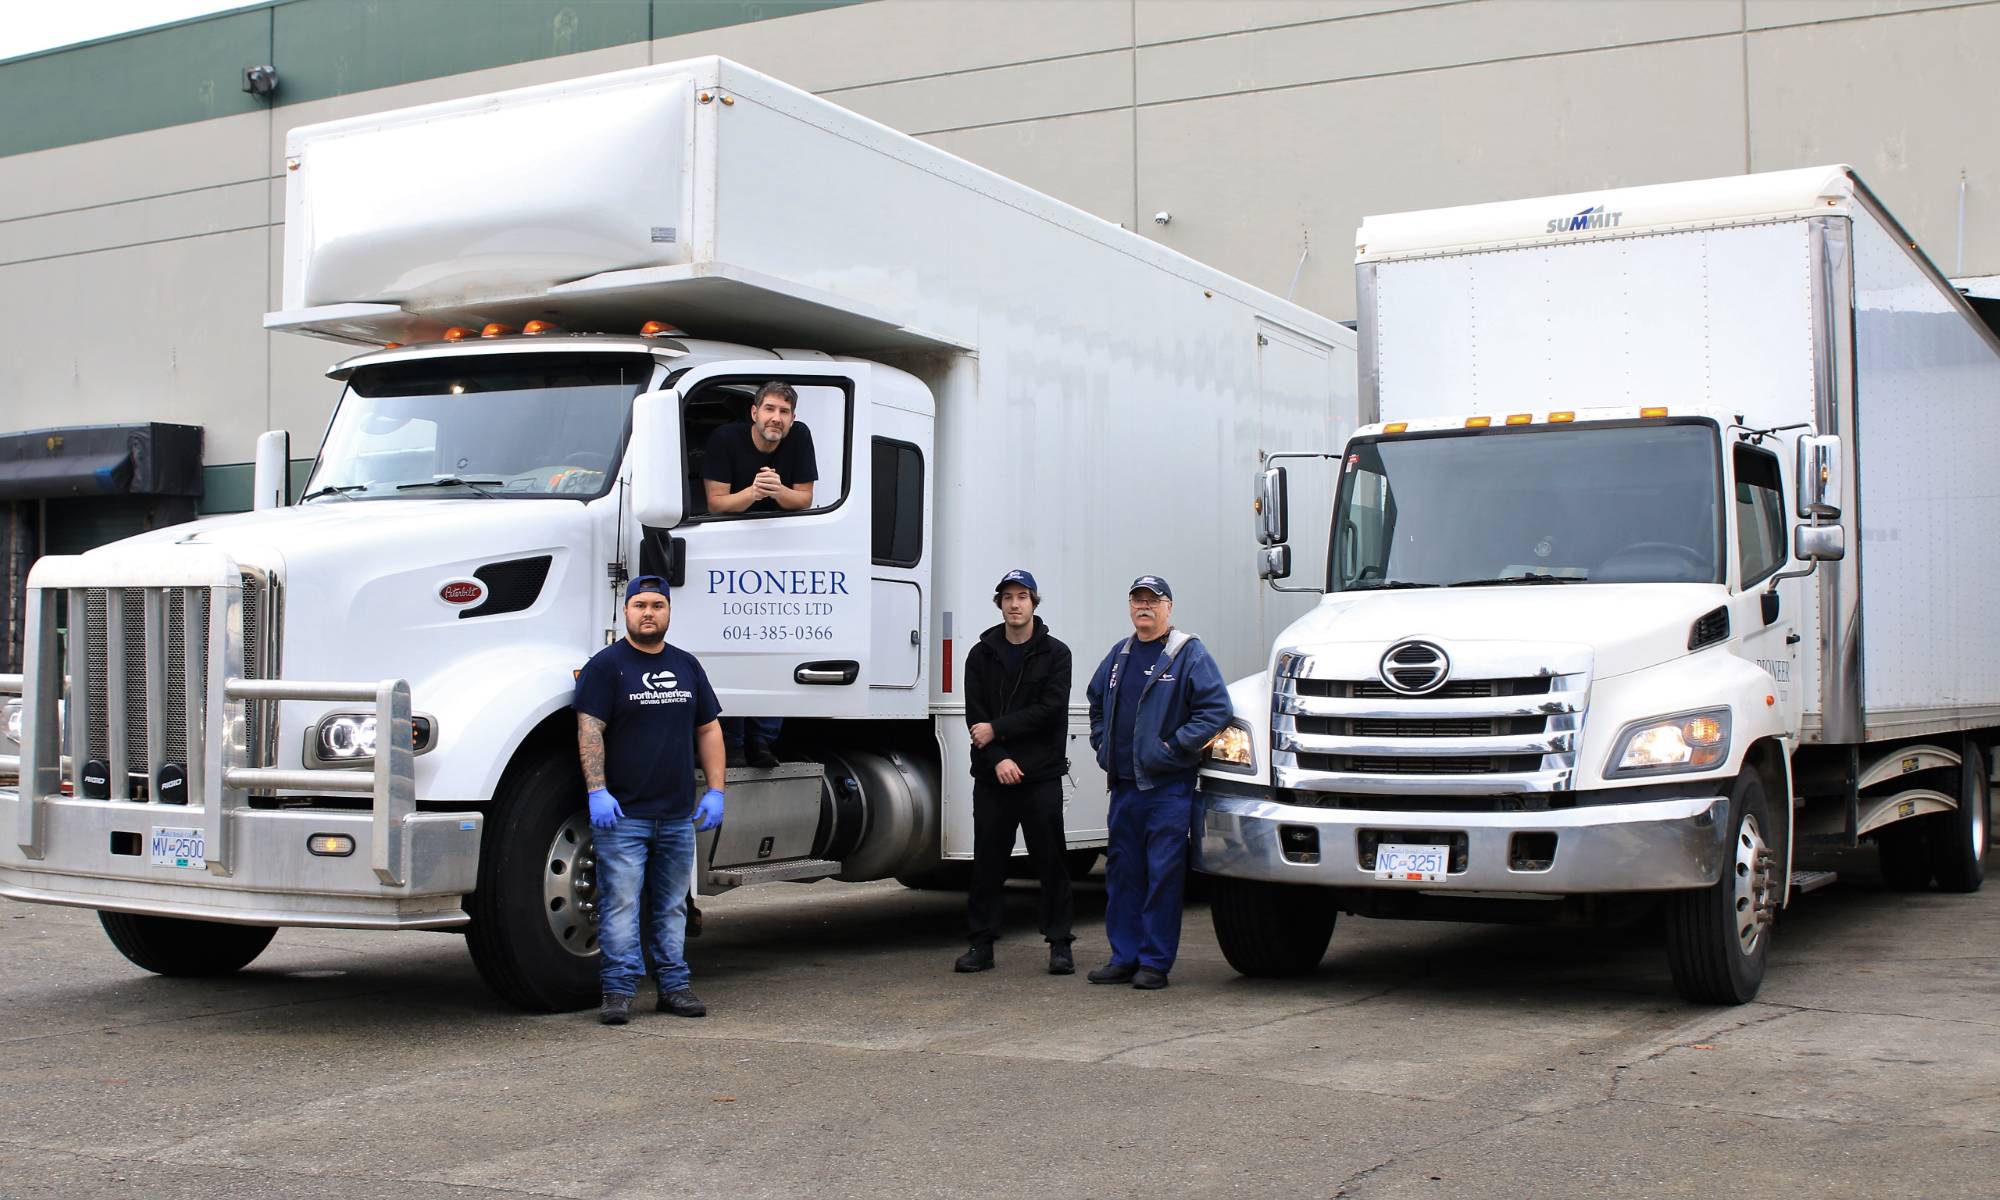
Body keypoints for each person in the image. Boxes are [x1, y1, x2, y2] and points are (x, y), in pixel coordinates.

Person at [575, 575, 727, 1025]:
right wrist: (597, 791)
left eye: (657, 605)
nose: (648, 613)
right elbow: (589, 728)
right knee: (621, 904)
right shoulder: (607, 666)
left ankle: (673, 988)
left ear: (668, 612)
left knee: (672, 906)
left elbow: (708, 728)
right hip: (625, 817)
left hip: (677, 815)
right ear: (625, 611)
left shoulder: (687, 666)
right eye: (640, 604)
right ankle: (618, 992)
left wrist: (717, 790)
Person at [1084, 575, 1230, 990]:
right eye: (1137, 600)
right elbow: (1096, 701)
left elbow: (1215, 710)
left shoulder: (1187, 654)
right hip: (1125, 787)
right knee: (1123, 873)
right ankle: (1123, 957)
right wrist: (1102, 746)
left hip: (1167, 788)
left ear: (1169, 607)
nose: (1144, 607)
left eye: (1154, 600)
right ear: (1130, 606)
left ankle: (1154, 962)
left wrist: (1173, 749)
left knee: (1163, 874)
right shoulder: (1120, 654)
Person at [956, 569, 1077, 976]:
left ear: (1033, 603)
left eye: (1022, 596)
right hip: (993, 776)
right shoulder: (981, 654)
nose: (1014, 604)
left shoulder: (1056, 653)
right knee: (988, 863)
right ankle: (981, 944)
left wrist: (1002, 735)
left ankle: (1060, 944)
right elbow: (976, 717)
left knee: (1051, 862)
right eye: (1007, 597)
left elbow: (1050, 710)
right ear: (999, 604)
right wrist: (999, 758)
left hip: (1040, 776)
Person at [701, 380, 818, 768]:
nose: (776, 418)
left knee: (775, 645)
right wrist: (753, 493)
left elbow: (803, 498)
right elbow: (715, 504)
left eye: (784, 412)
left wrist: (776, 489)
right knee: (734, 646)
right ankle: (732, 740)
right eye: (769, 409)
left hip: (779, 559)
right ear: (754, 412)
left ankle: (764, 740)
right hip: (729, 558)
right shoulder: (725, 438)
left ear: (793, 417)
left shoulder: (799, 436)